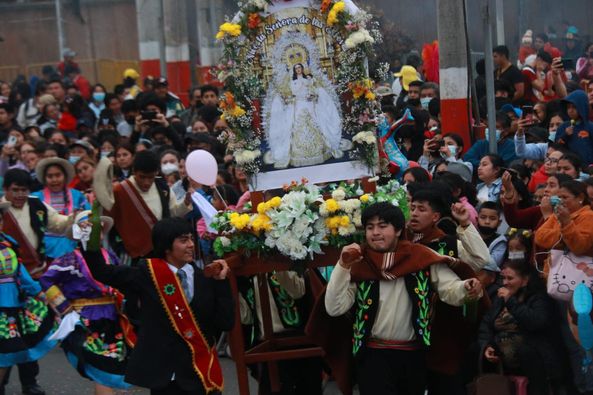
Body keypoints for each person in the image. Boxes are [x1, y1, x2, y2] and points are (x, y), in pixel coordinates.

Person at [324, 202, 482, 395]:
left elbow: (449, 288)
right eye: (370, 227)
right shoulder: (358, 262)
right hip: (372, 354)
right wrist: (342, 266)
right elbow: (334, 307)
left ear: (398, 230)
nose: (375, 232)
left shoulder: (421, 257)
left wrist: (466, 288)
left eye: (383, 226)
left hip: (413, 354)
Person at [81, 217, 234, 394]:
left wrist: (222, 283)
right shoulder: (147, 274)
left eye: (192, 238)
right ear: (166, 246)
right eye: (184, 240)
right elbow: (103, 272)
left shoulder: (205, 277)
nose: (191, 244)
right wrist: (89, 239)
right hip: (164, 376)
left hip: (200, 373)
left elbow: (226, 323)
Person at [39, 210, 132, 395]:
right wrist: (64, 308)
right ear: (77, 233)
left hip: (111, 317)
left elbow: (119, 280)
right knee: (101, 369)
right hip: (85, 319)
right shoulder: (70, 259)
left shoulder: (109, 256)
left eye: (96, 229)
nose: (93, 233)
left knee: (108, 367)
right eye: (87, 229)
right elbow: (46, 280)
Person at [479, 259, 564, 395]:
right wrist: (487, 345)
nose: (505, 282)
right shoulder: (500, 298)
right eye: (503, 278)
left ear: (525, 280)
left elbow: (536, 322)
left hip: (531, 353)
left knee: (527, 353)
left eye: (510, 278)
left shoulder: (538, 298)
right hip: (502, 351)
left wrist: (511, 302)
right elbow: (486, 323)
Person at [93, 150, 193, 260]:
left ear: (156, 173)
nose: (146, 182)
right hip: (132, 255)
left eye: (150, 177)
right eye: (142, 177)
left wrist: (186, 203)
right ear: (134, 172)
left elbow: (172, 213)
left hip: (161, 250)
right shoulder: (120, 191)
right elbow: (107, 220)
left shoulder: (163, 187)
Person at [0, 203, 57, 395]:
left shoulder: (8, 243)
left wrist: (40, 295)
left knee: (19, 345)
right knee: (7, 350)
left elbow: (21, 274)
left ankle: (29, 382)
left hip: (15, 303)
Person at [265, 63, 342, 169]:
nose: (298, 70)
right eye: (296, 68)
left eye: (299, 68)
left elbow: (314, 92)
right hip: (298, 106)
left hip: (309, 105)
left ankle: (319, 150)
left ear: (302, 69)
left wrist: (312, 95)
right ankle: (299, 153)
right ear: (294, 70)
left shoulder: (309, 80)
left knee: (315, 123)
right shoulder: (292, 82)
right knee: (297, 126)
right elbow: (292, 94)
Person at [31, 158, 90, 259]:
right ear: (45, 178)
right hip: (45, 251)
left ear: (65, 176)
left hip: (73, 249)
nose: (54, 180)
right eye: (50, 176)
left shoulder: (77, 195)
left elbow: (88, 217)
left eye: (58, 175)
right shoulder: (36, 198)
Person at [555, 90, 593, 166]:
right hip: (568, 167)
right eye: (568, 107)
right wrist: (565, 135)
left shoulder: (590, 126)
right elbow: (557, 147)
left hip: (589, 167)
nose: (570, 110)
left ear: (582, 107)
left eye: (574, 107)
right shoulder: (563, 127)